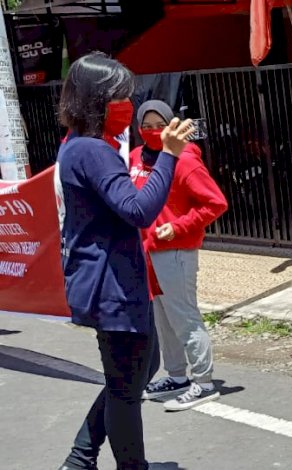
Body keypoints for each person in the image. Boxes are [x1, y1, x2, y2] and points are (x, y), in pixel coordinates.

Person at [56, 52, 195, 470]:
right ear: (95, 101)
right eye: (120, 97)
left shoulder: (78, 147)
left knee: (138, 370)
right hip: (111, 284)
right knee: (126, 388)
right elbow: (138, 210)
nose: (129, 106)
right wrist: (170, 154)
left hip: (112, 280)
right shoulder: (92, 152)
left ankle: (80, 459)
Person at [130, 100, 229, 410]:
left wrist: (178, 227)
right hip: (147, 252)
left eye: (160, 124)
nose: (153, 131)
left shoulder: (184, 161)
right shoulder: (135, 158)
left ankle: (203, 382)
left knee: (184, 318)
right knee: (164, 319)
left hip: (174, 252)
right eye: (146, 125)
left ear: (173, 124)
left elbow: (215, 203)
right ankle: (176, 376)